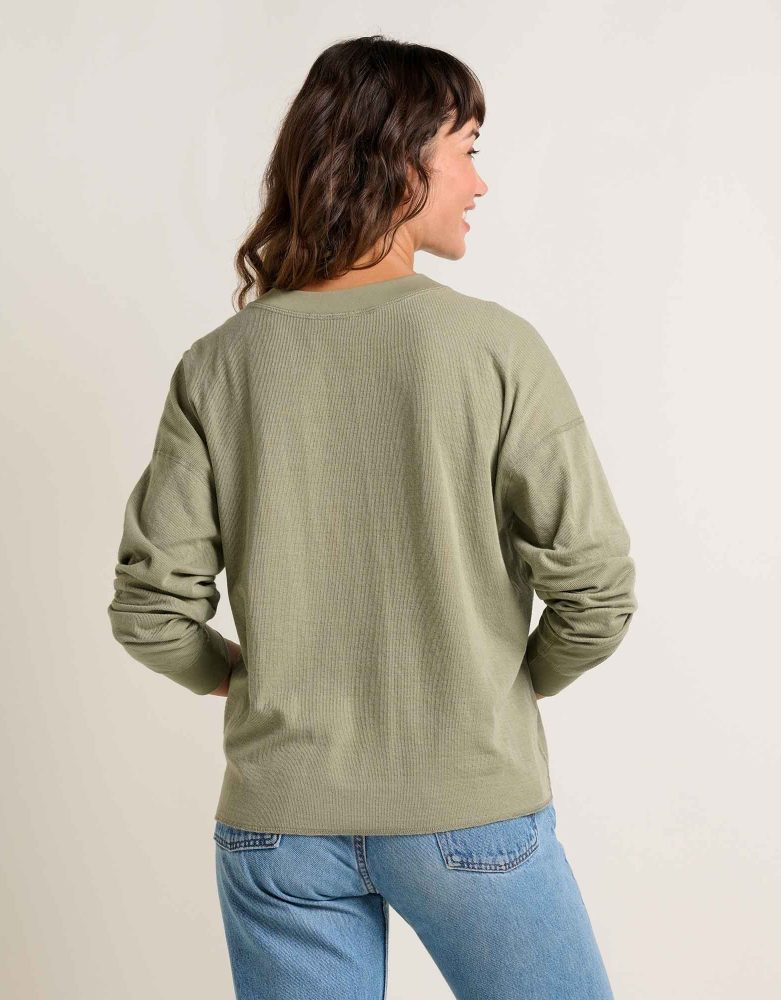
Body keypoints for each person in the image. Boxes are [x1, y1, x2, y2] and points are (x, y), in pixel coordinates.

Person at [107, 33, 636, 1000]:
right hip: (470, 809)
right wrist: (501, 689)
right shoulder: (494, 350)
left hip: (279, 830)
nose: (480, 182)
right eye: (468, 150)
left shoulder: (220, 364)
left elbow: (149, 613)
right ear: (401, 160)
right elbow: (597, 593)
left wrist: (234, 678)